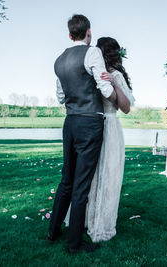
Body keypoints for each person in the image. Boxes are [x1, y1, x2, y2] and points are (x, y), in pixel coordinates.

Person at [47, 14, 117, 253]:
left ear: (69, 34)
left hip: (70, 122)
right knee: (81, 185)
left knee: (66, 180)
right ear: (88, 32)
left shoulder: (59, 60)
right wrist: (113, 90)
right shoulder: (92, 52)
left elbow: (60, 97)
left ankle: (52, 232)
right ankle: (75, 243)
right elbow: (105, 88)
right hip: (90, 123)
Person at [64, 37, 135, 243]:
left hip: (110, 128)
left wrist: (115, 84)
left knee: (108, 175)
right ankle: (86, 220)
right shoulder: (92, 74)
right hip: (92, 126)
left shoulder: (114, 75)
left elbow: (126, 107)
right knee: (91, 177)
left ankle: (100, 223)